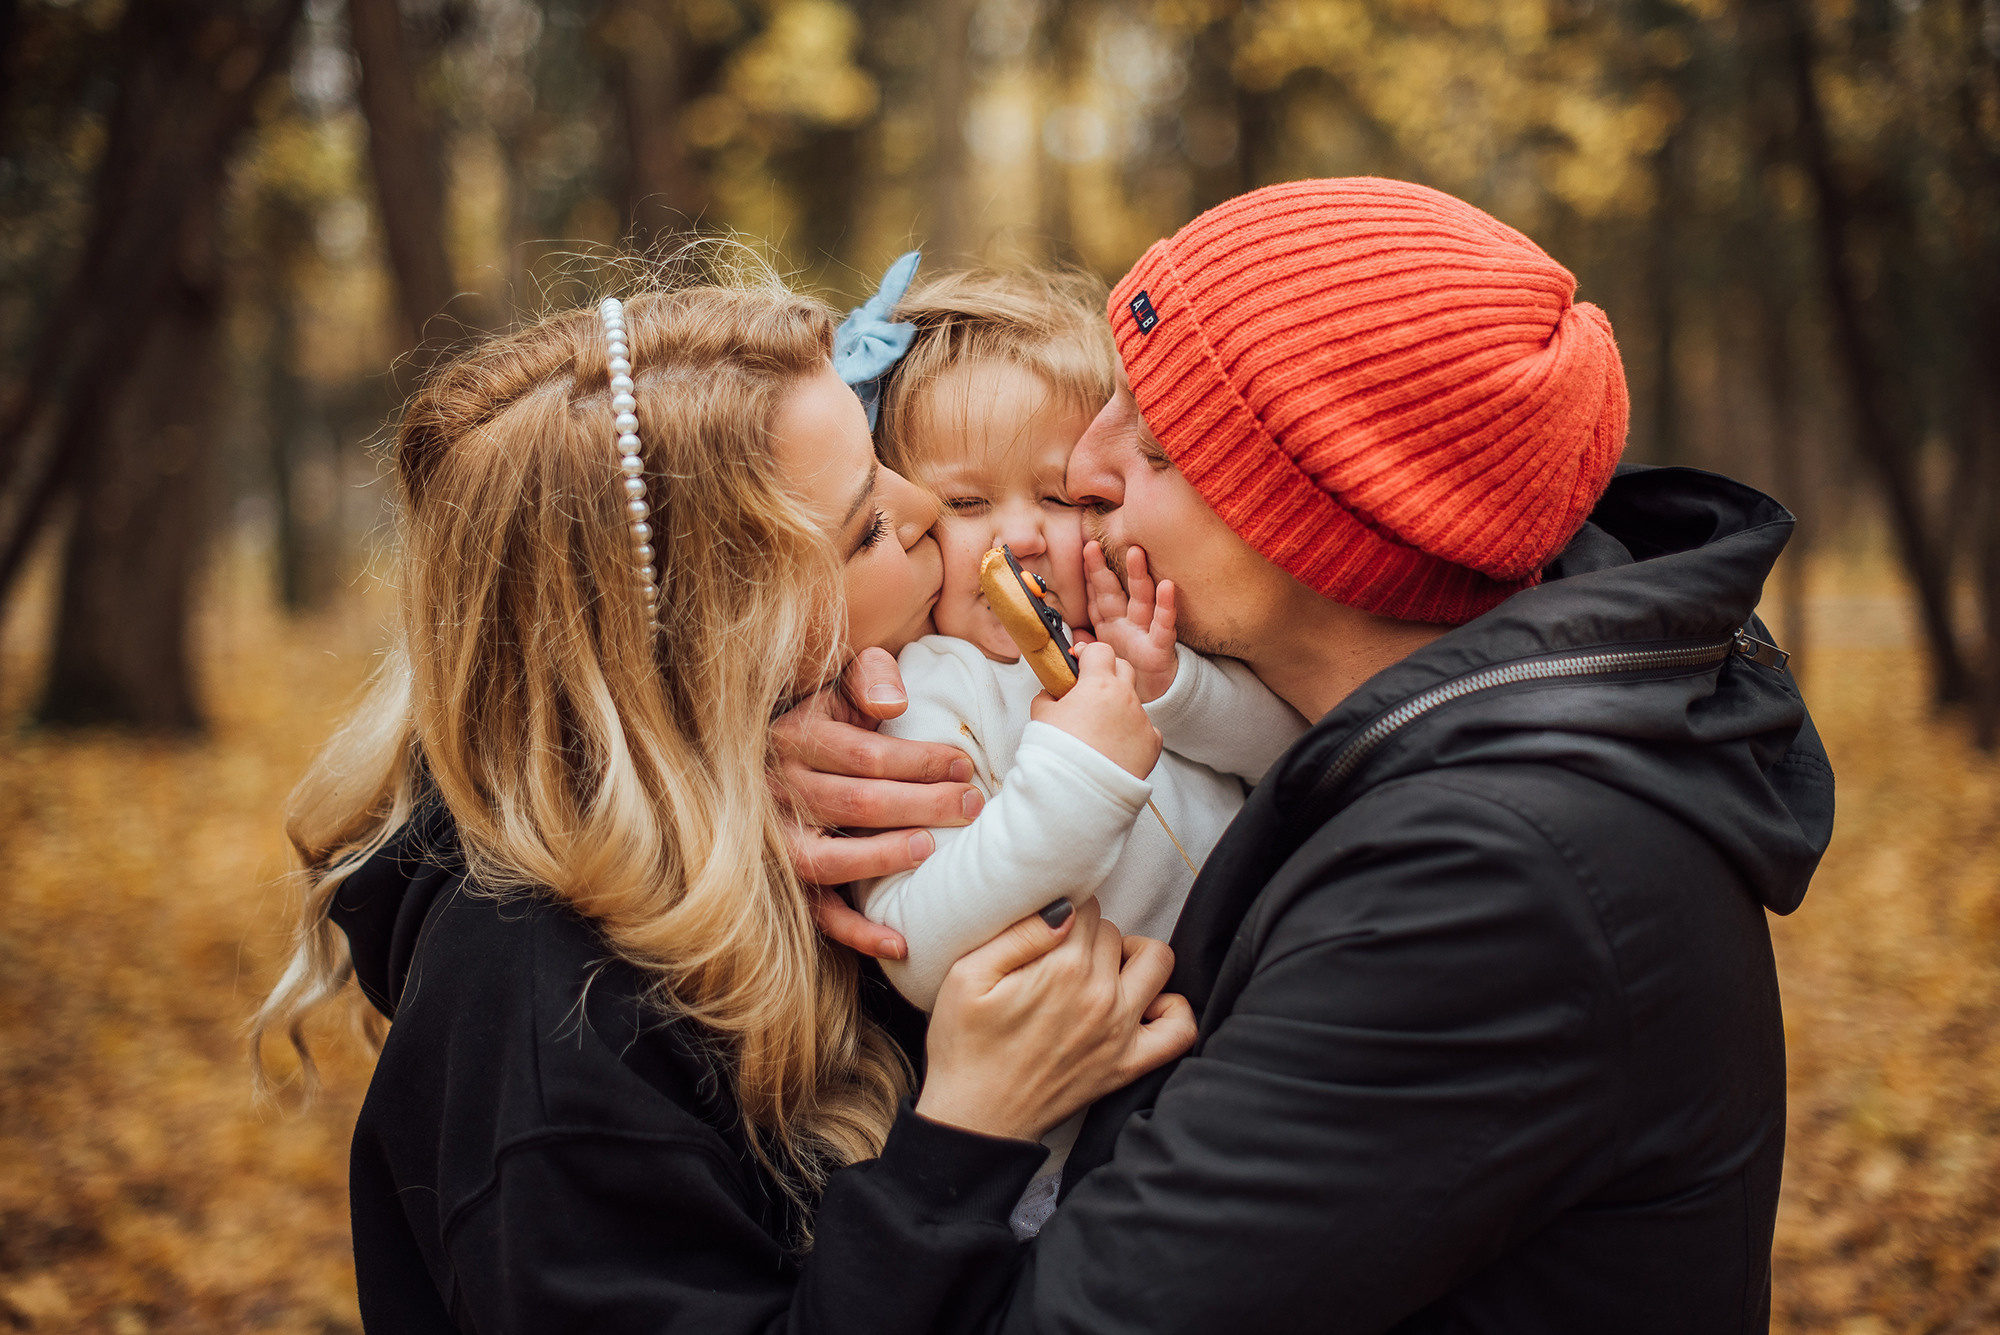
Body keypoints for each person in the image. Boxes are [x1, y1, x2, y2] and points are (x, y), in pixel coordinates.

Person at [788, 178, 1837, 1332]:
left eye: (1158, 445)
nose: (1081, 477)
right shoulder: (1404, 746)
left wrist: (959, 1146)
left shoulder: (1486, 886)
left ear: (1310, 520)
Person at [251, 276, 1197, 1333]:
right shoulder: (543, 1032)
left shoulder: (818, 808)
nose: (930, 505)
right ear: (724, 645)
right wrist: (970, 1137)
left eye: (881, 455)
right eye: (867, 527)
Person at [831, 262, 1305, 1235]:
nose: (1021, 539)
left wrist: (1176, 692)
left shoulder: (1143, 634)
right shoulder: (924, 689)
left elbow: (1289, 766)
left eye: (1062, 496)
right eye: (964, 506)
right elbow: (916, 945)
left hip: (1250, 1056)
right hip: (1069, 1162)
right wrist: (1074, 775)